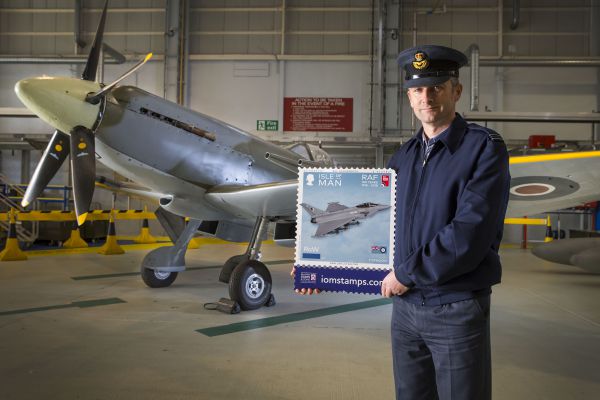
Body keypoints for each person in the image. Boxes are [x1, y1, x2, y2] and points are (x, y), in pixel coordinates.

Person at [381, 45, 510, 400]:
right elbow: (378, 225)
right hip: (405, 311)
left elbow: (469, 233)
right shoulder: (403, 158)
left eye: (436, 87)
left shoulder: (483, 148)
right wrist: (323, 269)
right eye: (418, 89)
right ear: (409, 97)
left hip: (454, 307)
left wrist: (406, 274)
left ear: (456, 90)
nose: (427, 97)